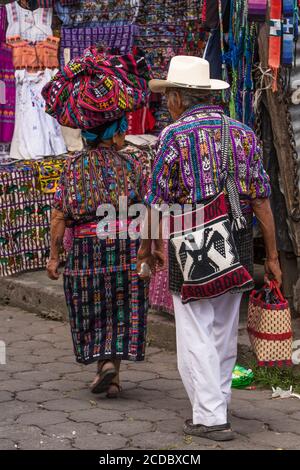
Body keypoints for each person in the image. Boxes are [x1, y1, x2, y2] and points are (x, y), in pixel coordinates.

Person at [137, 56, 282, 440]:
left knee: (195, 330)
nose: (167, 101)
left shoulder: (174, 136)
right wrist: (271, 258)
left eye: (168, 94)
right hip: (235, 239)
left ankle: (211, 417)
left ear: (178, 98)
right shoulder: (242, 133)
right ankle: (216, 405)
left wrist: (146, 248)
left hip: (192, 241)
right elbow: (262, 200)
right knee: (222, 329)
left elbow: (155, 201)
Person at [47, 115, 158, 398]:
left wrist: (53, 255)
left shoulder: (72, 167)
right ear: (115, 136)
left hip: (87, 248)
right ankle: (113, 372)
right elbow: (150, 208)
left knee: (93, 308)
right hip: (127, 246)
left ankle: (105, 366)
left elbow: (60, 213)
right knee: (121, 310)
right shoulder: (132, 163)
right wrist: (150, 249)